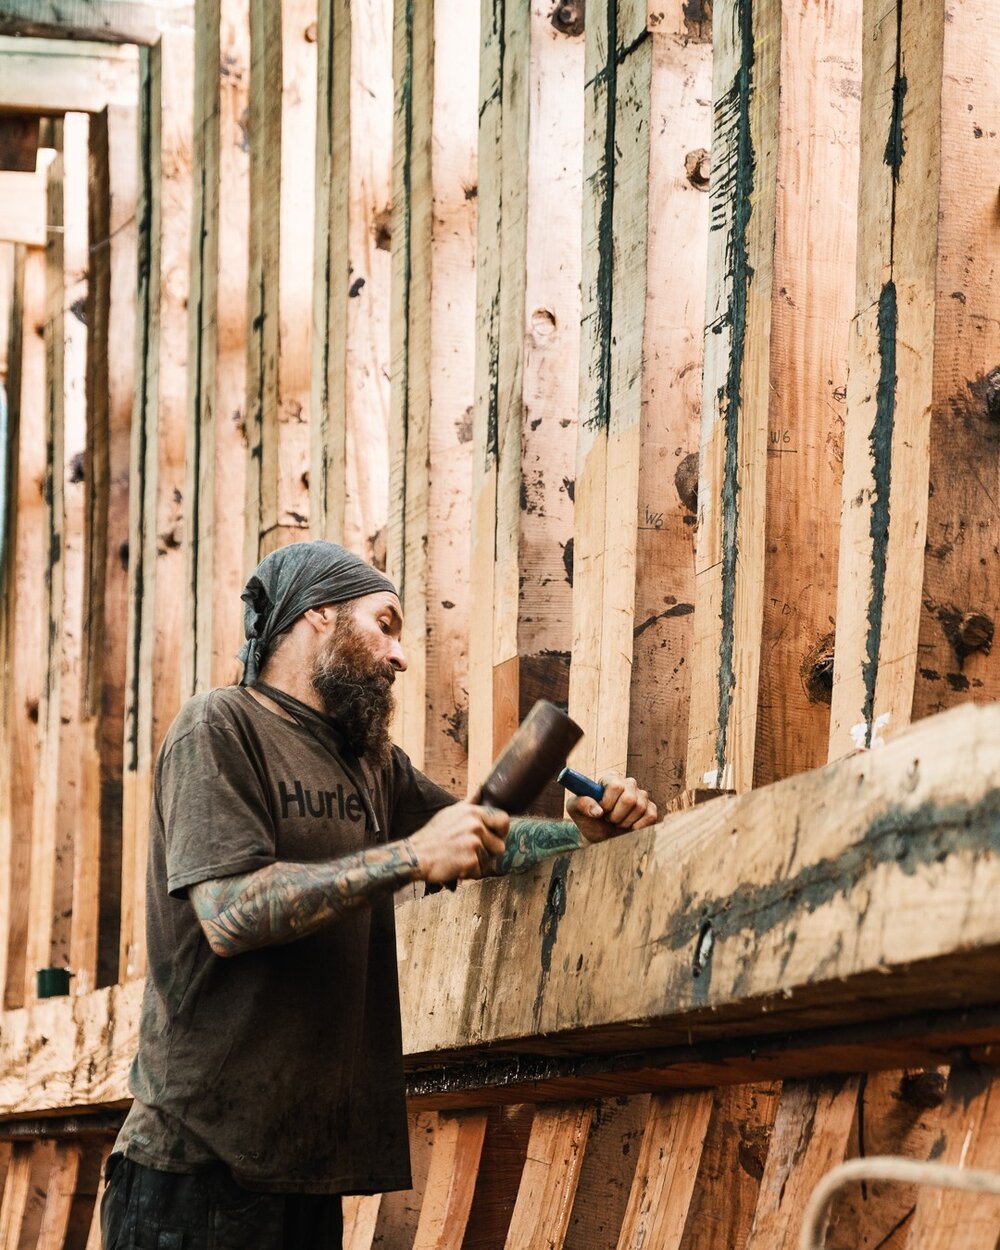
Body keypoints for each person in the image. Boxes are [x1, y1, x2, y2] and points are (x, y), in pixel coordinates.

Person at [102, 541, 657, 1250]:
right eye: (385, 624)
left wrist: (577, 837)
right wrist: (408, 856)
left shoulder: (370, 765)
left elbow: (483, 841)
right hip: (193, 1171)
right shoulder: (219, 728)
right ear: (317, 616)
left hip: (305, 1173)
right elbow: (228, 912)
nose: (400, 656)